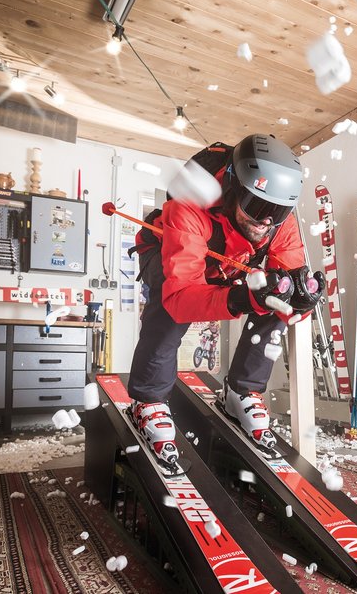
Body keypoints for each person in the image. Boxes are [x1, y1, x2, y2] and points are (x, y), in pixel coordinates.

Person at [126, 134, 325, 466]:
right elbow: (181, 297)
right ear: (233, 187)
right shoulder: (188, 207)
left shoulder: (279, 223)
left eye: (277, 211)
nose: (266, 221)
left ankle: (241, 391)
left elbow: (287, 286)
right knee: (168, 304)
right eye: (258, 207)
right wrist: (241, 298)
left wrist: (300, 302)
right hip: (167, 252)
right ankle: (148, 400)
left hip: (226, 261)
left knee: (281, 293)